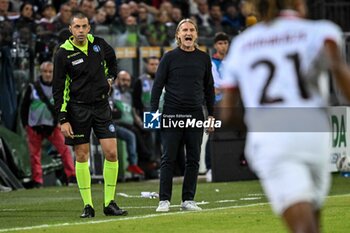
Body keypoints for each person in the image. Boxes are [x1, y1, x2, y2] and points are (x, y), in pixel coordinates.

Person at [220, 0, 350, 232]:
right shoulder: (323, 31)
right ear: (298, 3)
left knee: (303, 226)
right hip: (314, 134)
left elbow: (228, 112)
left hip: (272, 137)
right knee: (312, 220)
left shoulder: (242, 43)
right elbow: (341, 76)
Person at [52, 12, 127, 218]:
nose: (81, 31)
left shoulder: (99, 44)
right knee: (82, 154)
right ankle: (88, 205)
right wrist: (63, 119)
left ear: (89, 28)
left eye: (84, 26)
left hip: (102, 105)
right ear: (70, 29)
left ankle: (109, 202)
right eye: (77, 27)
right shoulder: (63, 53)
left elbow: (112, 61)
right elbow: (59, 89)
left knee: (111, 153)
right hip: (77, 109)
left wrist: (110, 78)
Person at [151, 18, 215, 212]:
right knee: (168, 157)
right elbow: (157, 87)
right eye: (184, 30)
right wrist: (153, 113)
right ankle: (164, 200)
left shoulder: (204, 58)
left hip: (195, 114)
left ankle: (188, 199)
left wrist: (211, 115)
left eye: (192, 30)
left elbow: (209, 89)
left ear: (196, 34)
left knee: (194, 158)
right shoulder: (169, 57)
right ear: (178, 35)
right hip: (171, 114)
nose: (188, 33)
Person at [21, 61, 76, 188]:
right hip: (34, 127)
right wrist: (26, 125)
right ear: (41, 72)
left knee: (65, 149)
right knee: (34, 155)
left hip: (52, 126)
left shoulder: (59, 87)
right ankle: (37, 181)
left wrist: (62, 121)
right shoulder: (32, 87)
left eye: (50, 72)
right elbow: (24, 108)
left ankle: (71, 176)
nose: (47, 74)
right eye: (45, 71)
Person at [110, 70, 145, 176]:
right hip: (115, 124)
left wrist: (142, 124)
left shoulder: (129, 95)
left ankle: (146, 163)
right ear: (117, 80)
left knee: (145, 132)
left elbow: (133, 113)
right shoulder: (111, 91)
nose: (125, 82)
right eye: (123, 80)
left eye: (128, 80)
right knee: (131, 136)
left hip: (129, 124)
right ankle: (133, 164)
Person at [205, 32, 230, 182]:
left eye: (225, 43)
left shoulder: (233, 61)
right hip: (214, 104)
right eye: (220, 43)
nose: (223, 46)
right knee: (212, 134)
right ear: (215, 45)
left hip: (231, 104)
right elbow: (213, 88)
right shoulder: (212, 63)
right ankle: (210, 168)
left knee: (232, 134)